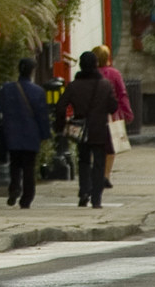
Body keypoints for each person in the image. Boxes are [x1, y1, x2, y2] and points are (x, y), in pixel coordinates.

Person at [56, 51, 117, 209]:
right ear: (96, 65)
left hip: (81, 129)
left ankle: (84, 192)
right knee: (98, 163)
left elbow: (60, 106)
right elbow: (113, 107)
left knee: (83, 161)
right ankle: (96, 199)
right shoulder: (105, 85)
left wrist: (63, 124)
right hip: (99, 129)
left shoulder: (74, 85)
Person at [0, 57, 48, 210]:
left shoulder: (7, 89)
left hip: (12, 132)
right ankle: (26, 198)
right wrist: (45, 134)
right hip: (31, 134)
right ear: (32, 71)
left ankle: (14, 188)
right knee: (29, 167)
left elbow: (1, 107)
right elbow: (42, 115)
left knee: (15, 164)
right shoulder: (38, 91)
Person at [93, 44, 133, 188]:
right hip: (112, 114)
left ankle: (96, 173)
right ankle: (106, 175)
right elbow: (122, 94)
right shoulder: (114, 73)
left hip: (93, 115)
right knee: (110, 148)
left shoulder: (89, 74)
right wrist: (127, 112)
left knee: (96, 146)